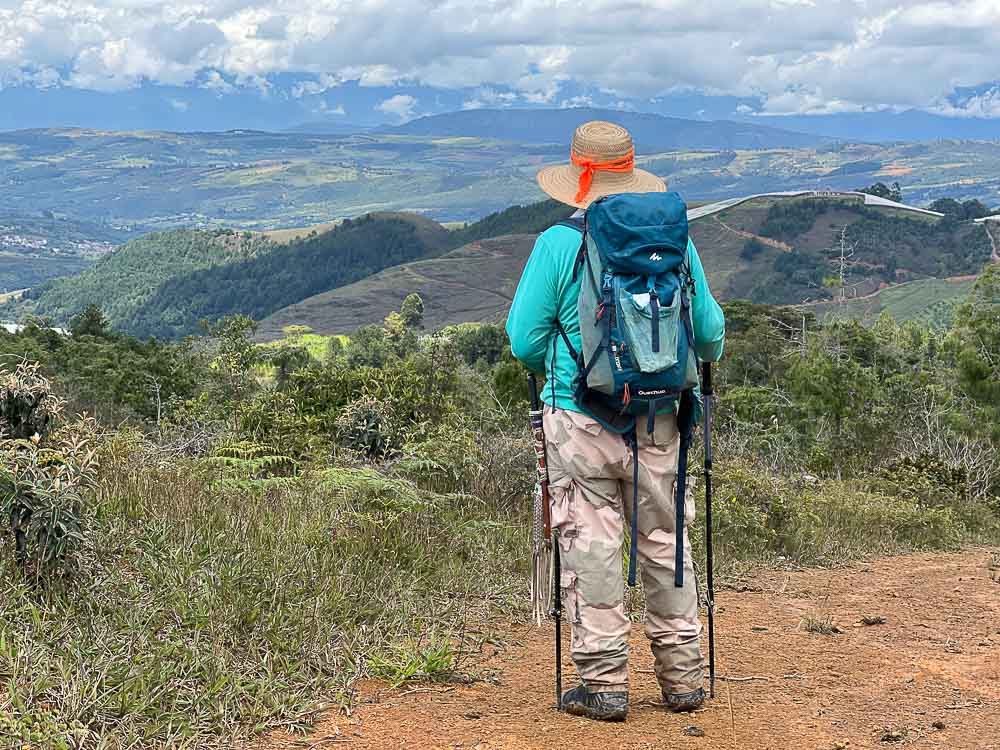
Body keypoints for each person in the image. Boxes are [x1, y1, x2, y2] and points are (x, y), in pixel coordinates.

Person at [506, 120, 726, 722]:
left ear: (577, 176)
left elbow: (523, 340)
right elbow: (708, 336)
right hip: (661, 421)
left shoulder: (558, 244)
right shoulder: (676, 243)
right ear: (630, 170)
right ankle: (683, 680)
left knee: (592, 545)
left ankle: (604, 685)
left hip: (579, 418)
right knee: (665, 540)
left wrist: (567, 363)